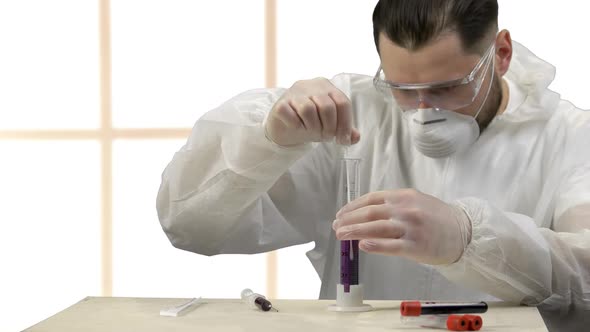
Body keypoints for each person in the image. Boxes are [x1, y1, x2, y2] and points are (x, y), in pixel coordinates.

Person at [156, 1, 590, 331]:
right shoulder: (349, 113)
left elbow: (586, 279)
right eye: (402, 87)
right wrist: (267, 141)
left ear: (501, 53)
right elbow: (189, 225)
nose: (423, 110)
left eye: (447, 87)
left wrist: (470, 237)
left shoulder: (570, 135)